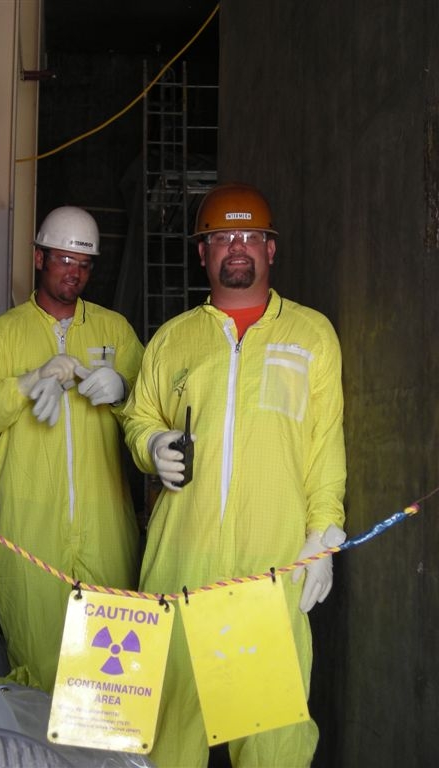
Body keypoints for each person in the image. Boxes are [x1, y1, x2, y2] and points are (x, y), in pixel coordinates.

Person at [122, 183, 347, 767]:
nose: (237, 247)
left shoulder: (310, 335)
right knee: (169, 733)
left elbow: (325, 444)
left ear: (272, 250)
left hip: (266, 571)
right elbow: (140, 413)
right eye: (223, 237)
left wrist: (324, 533)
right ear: (204, 253)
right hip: (181, 566)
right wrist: (150, 442)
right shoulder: (174, 339)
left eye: (251, 236)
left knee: (271, 742)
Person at [0, 205, 144, 692]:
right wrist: (30, 379)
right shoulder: (3, 334)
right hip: (30, 527)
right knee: (40, 664)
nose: (73, 273)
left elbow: (152, 410)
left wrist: (123, 388)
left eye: (83, 265)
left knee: (111, 670)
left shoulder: (115, 331)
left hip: (105, 525)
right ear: (39, 258)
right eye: (63, 260)